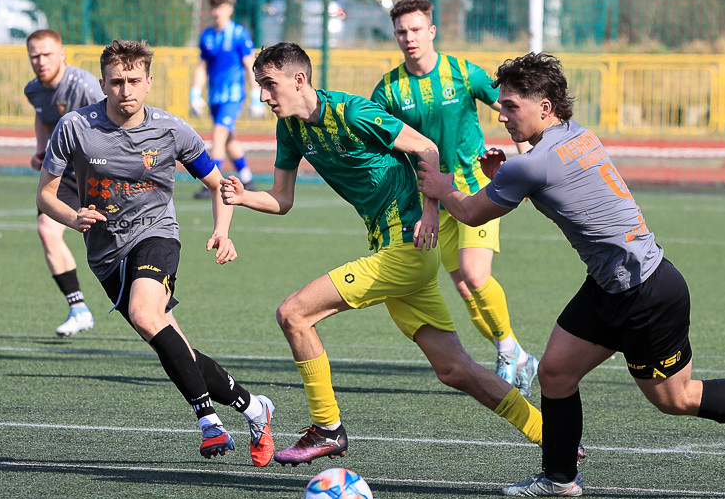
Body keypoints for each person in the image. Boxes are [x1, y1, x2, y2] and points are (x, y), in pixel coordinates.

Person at [416, 52, 725, 497]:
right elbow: (553, 186)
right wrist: (503, 176)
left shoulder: (529, 164)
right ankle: (560, 478)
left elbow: (472, 213)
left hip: (645, 294)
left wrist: (442, 187)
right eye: (501, 106)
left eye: (511, 106)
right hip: (611, 286)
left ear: (545, 107)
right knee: (554, 373)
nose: (501, 115)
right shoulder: (578, 135)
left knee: (677, 399)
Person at [220, 42, 546, 467]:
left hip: (407, 247)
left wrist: (431, 211)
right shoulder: (290, 130)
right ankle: (549, 434)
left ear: (298, 80)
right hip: (391, 248)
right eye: (260, 86)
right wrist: (244, 196)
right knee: (454, 369)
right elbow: (282, 200)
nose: (263, 95)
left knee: (294, 314)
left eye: (269, 84)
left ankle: (327, 428)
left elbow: (426, 147)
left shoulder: (352, 112)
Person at [37, 38, 275, 466]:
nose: (125, 90)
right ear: (102, 84)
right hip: (106, 255)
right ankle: (255, 407)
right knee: (175, 346)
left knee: (146, 315)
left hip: (156, 235)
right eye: (116, 82)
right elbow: (45, 196)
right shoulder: (75, 127)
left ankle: (209, 423)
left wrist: (222, 231)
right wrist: (73, 218)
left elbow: (219, 185)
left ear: (149, 82)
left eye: (133, 81)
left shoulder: (171, 130)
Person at [371, 0, 538, 395]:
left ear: (431, 31)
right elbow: (381, 148)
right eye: (401, 32)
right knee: (465, 286)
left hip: (478, 187)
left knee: (476, 275)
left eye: (416, 29)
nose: (409, 38)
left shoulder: (463, 73)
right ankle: (515, 352)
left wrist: (529, 163)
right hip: (434, 199)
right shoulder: (388, 90)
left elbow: (518, 111)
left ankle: (508, 352)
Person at [25, 28, 103, 337]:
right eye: (34, 56)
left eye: (47, 54)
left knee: (113, 241)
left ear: (62, 55)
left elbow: (112, 119)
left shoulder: (84, 86)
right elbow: (42, 115)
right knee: (47, 230)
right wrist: (40, 148)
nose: (41, 61)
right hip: (66, 175)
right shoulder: (33, 90)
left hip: (99, 173)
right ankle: (79, 309)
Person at [191, 0, 258, 200]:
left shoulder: (239, 34)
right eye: (214, 7)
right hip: (215, 97)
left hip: (233, 96)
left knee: (218, 135)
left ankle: (213, 182)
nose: (217, 11)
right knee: (229, 139)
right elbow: (202, 66)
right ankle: (247, 178)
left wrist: (256, 94)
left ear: (229, 9)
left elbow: (249, 64)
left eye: (221, 7)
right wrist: (195, 93)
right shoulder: (207, 36)